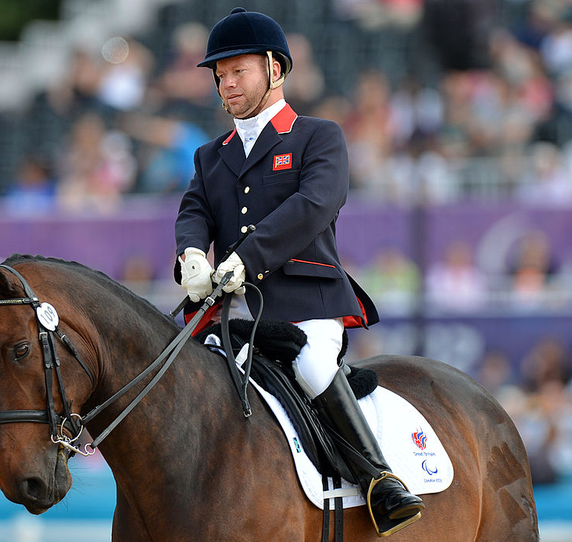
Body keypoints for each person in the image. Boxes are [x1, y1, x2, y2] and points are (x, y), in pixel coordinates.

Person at [173, 7, 424, 536]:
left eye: (238, 71)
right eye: (220, 76)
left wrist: (247, 256)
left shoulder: (317, 136)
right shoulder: (209, 155)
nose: (227, 85)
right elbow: (194, 210)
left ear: (275, 69)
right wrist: (192, 254)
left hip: (305, 305)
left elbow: (315, 204)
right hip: (231, 311)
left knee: (312, 367)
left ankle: (380, 480)